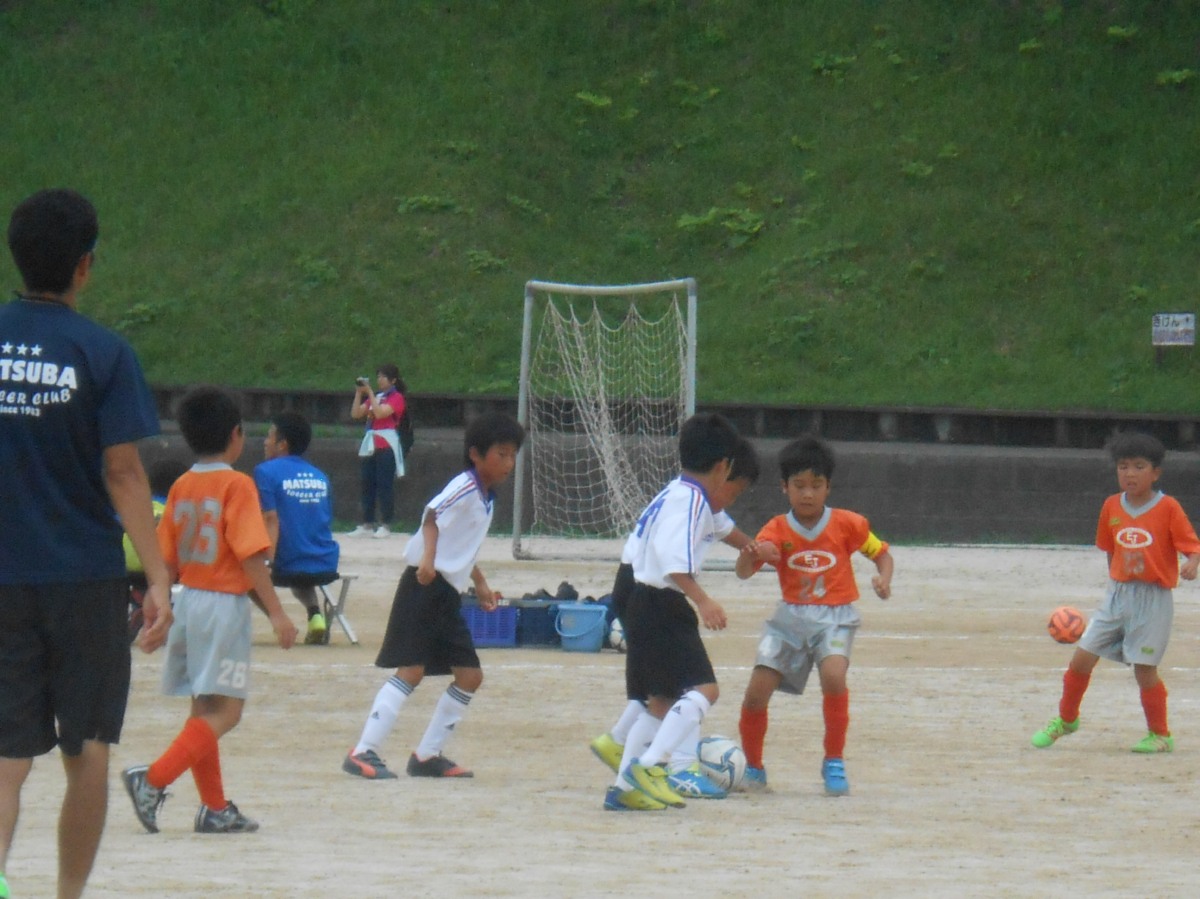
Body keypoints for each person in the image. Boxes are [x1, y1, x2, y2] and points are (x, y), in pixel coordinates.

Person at [0, 188, 172, 899]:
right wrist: (158, 576)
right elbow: (123, 472)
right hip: (84, 578)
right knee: (88, 747)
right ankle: (68, 893)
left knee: (6, 757)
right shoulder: (104, 352)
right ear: (84, 265)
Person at [120, 386, 298, 836]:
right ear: (236, 435)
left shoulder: (182, 484)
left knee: (203, 708)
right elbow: (250, 555)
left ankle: (214, 807)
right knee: (227, 712)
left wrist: (157, 606)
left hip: (190, 600)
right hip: (223, 607)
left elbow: (165, 559)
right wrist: (277, 613)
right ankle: (152, 779)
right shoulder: (237, 484)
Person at [342, 411, 525, 780]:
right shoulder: (465, 487)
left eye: (513, 455)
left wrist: (479, 581)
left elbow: (460, 544)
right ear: (475, 454)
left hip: (446, 595)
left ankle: (427, 755)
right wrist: (427, 559)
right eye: (501, 454)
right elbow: (431, 516)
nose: (509, 463)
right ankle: (363, 750)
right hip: (423, 586)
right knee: (411, 670)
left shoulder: (486, 498)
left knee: (470, 675)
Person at [590, 436, 760, 800]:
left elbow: (723, 528)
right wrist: (704, 601)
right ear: (722, 469)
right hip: (659, 599)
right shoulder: (692, 500)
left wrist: (754, 548)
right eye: (735, 491)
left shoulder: (682, 492)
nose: (732, 500)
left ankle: (624, 787)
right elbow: (673, 562)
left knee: (661, 698)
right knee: (701, 689)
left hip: (641, 594)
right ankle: (659, 765)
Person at [735, 435, 893, 797]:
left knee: (834, 676)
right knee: (756, 692)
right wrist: (753, 554)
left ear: (828, 487)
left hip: (836, 617)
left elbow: (882, 554)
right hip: (789, 618)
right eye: (799, 485)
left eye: (816, 485)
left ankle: (833, 760)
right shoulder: (775, 529)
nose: (808, 494)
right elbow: (743, 572)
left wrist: (884, 579)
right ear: (784, 487)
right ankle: (754, 767)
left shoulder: (849, 524)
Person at [1030, 431, 1200, 754]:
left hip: (1153, 599)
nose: (1130, 474)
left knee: (1144, 670)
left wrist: (1192, 563)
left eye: (1139, 466)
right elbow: (1110, 549)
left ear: (1156, 472)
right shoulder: (1111, 506)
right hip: (1117, 594)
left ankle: (1160, 734)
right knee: (1081, 658)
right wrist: (1115, 584)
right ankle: (1066, 719)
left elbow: (1192, 546)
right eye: (1123, 467)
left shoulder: (1168, 508)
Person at [253, 410, 340, 644]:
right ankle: (315, 615)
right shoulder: (320, 476)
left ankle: (277, 618)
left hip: (287, 561)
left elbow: (270, 519)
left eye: (270, 436)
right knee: (302, 573)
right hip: (324, 560)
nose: (265, 442)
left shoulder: (265, 471)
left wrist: (267, 562)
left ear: (282, 444)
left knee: (245, 570)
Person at [125, 458, 189, 642]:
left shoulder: (136, 506)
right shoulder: (175, 510)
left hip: (125, 567)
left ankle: (136, 599)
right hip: (157, 570)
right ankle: (163, 609)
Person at [348, 364, 407, 538]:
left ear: (393, 380)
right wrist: (359, 393)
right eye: (378, 376)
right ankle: (367, 522)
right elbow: (356, 413)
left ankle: (386, 523)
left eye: (383, 377)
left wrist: (370, 393)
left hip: (386, 444)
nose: (379, 380)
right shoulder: (377, 397)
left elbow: (381, 413)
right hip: (371, 443)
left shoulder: (396, 398)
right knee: (367, 483)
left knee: (384, 484)